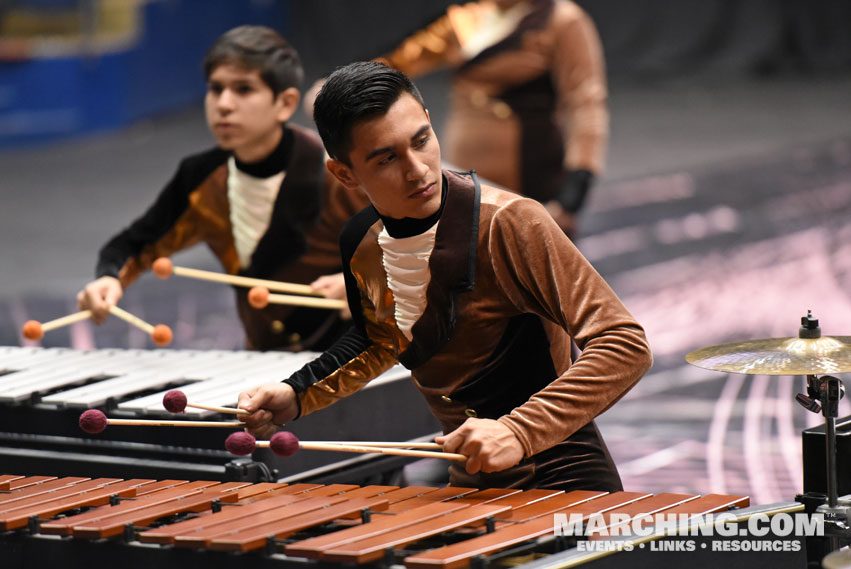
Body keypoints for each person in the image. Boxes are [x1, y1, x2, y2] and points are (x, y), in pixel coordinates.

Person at [238, 62, 650, 491]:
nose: (417, 170)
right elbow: (383, 339)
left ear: (431, 125)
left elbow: (624, 345)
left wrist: (519, 431)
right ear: (345, 173)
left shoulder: (509, 223)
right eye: (387, 159)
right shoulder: (362, 242)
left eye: (421, 141)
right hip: (470, 483)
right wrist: (298, 392)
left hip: (565, 479)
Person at [77, 25, 369, 351]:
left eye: (243, 89)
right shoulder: (202, 178)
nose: (224, 104)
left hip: (355, 354)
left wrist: (364, 285)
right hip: (266, 359)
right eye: (216, 89)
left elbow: (412, 245)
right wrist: (109, 278)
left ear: (285, 103)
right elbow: (137, 243)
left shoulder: (335, 172)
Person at [372, 0, 608, 237]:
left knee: (532, 263)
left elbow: (586, 105)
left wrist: (576, 188)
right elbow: (403, 58)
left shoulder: (561, 19)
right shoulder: (468, 18)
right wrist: (351, 85)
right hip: (465, 173)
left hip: (530, 174)